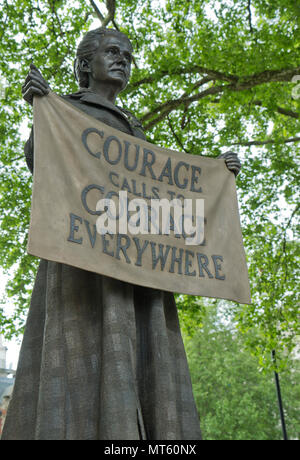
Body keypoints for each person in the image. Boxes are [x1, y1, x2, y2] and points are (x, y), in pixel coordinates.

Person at [2, 28, 240, 440]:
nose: (122, 61)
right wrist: (40, 109)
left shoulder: (134, 129)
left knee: (144, 357)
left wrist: (214, 176)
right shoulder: (66, 110)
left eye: (128, 57)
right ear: (84, 65)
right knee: (81, 352)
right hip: (84, 260)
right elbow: (41, 162)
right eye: (112, 53)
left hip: (137, 267)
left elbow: (161, 196)